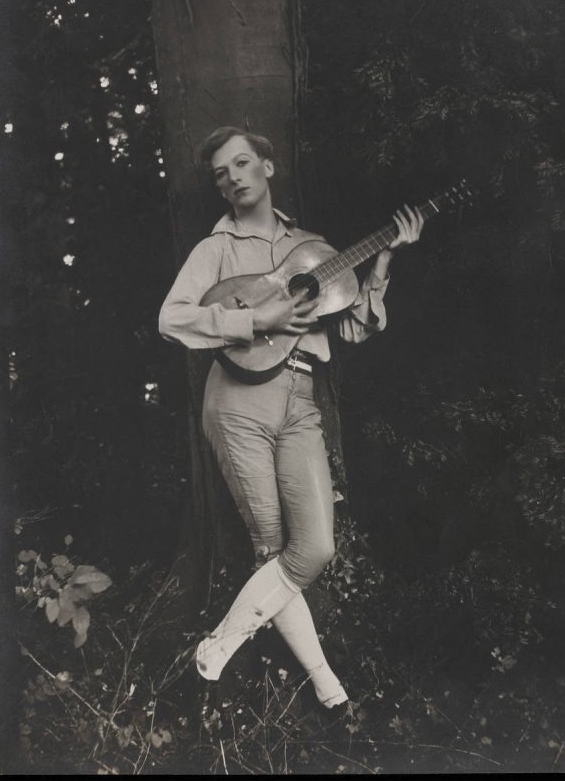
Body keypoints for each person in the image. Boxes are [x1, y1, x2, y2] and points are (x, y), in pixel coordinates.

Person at [159, 126, 424, 708]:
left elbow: (351, 328)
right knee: (270, 544)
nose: (233, 177)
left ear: (268, 166)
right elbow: (172, 319)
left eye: (242, 163)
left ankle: (220, 642)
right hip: (237, 402)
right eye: (221, 173)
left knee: (316, 547)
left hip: (302, 399)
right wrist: (257, 320)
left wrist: (383, 260)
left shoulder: (312, 248)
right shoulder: (216, 249)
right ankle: (328, 687)